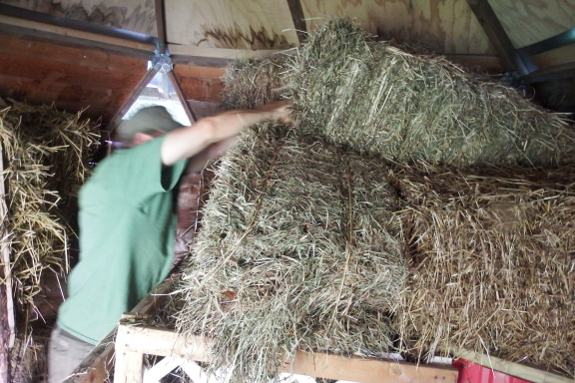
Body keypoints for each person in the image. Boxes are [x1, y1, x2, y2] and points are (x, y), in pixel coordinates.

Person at [48, 101, 291, 383]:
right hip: (87, 342)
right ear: (146, 139)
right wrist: (272, 114)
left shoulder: (147, 181)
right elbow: (208, 130)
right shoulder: (125, 170)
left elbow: (210, 149)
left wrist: (268, 124)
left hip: (114, 336)